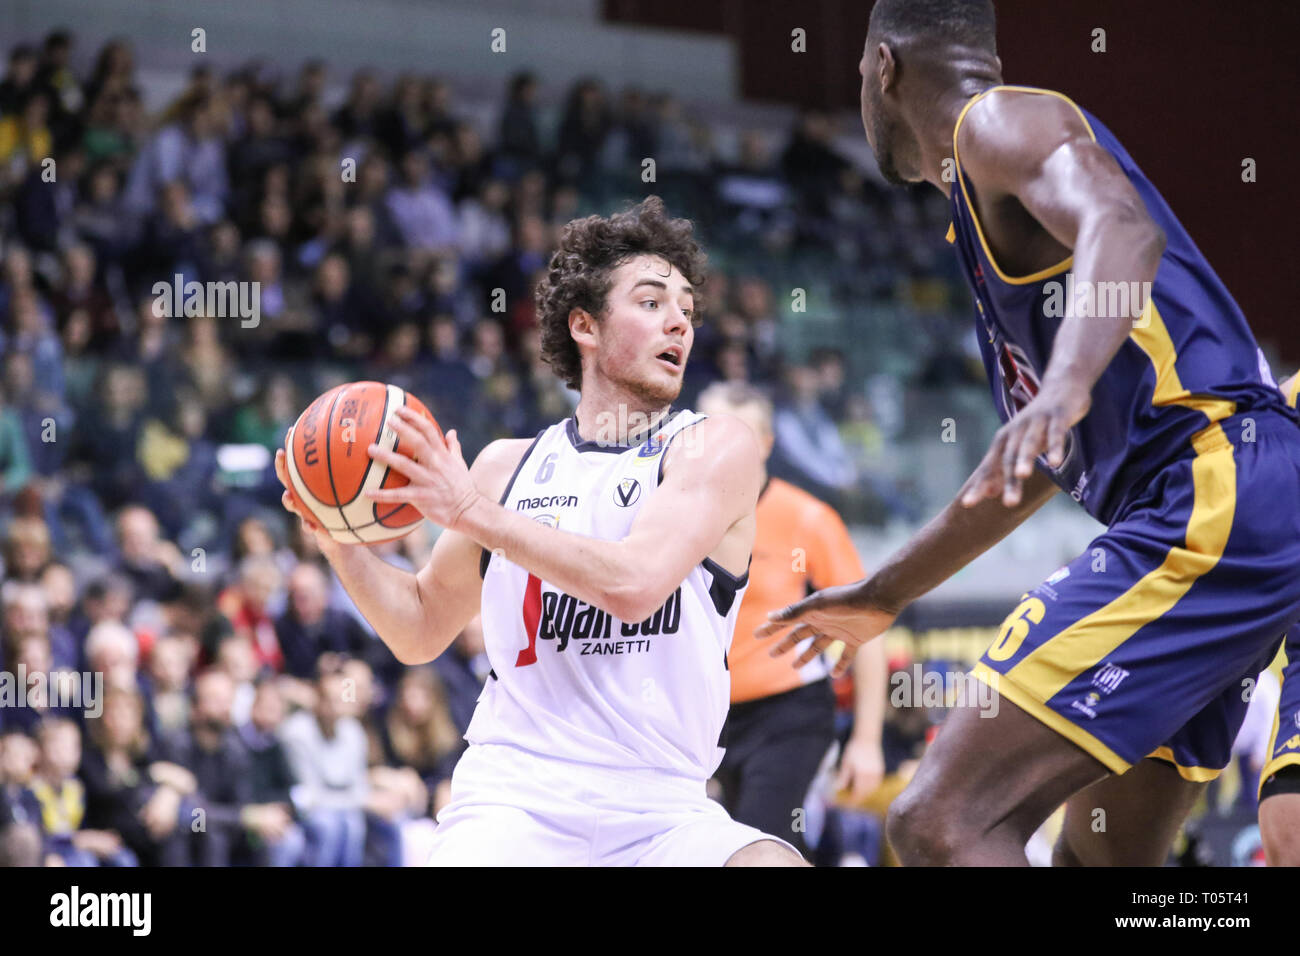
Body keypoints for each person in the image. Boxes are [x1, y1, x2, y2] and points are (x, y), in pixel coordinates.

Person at [759, 0, 1300, 866]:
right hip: (1242, 510)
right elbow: (1030, 465)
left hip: (1211, 490)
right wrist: (885, 592)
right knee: (1102, 857)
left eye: (860, 73)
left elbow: (1124, 229)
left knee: (940, 820)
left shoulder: (997, 123)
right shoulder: (987, 210)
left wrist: (1067, 383)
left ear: (885, 67)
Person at [275, 196, 803, 866]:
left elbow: (636, 583)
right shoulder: (504, 469)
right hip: (513, 802)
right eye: (650, 303)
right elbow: (418, 628)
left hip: (661, 811)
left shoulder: (714, 448)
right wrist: (339, 542)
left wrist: (475, 514)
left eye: (687, 310)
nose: (679, 322)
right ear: (584, 325)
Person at [698, 381, 886, 856]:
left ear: (765, 444)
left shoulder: (807, 519)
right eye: (708, 430)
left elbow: (869, 629)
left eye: (736, 435)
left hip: (787, 710)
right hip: (700, 714)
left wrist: (866, 741)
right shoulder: (674, 515)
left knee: (765, 840)